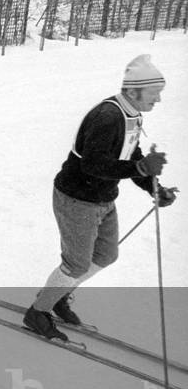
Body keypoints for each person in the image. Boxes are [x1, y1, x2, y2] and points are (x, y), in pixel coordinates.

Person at [23, 55, 177, 341]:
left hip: (102, 198)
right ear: (133, 91)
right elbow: (92, 165)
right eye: (153, 94)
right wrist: (140, 168)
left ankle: (58, 294)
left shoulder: (131, 114)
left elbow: (131, 156)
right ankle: (37, 312)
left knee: (107, 255)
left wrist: (153, 186)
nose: (157, 100)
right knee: (77, 264)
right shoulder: (108, 117)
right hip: (77, 198)